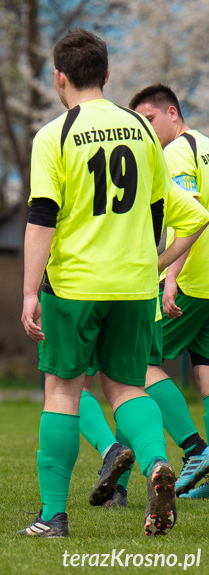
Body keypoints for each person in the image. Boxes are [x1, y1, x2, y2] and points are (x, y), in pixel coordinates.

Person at [20, 28, 189, 538]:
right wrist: (151, 266)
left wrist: (30, 290)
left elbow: (42, 217)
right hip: (136, 284)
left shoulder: (55, 135)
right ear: (109, 75)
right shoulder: (141, 130)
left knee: (62, 390)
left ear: (59, 77)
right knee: (127, 386)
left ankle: (53, 516)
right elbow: (159, 209)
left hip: (75, 285)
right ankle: (157, 464)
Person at [78, 85, 209, 508]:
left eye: (150, 120)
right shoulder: (206, 146)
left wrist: (169, 273)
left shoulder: (175, 154)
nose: (147, 130)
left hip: (189, 280)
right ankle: (128, 482)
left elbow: (186, 215)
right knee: (205, 373)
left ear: (173, 112)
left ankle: (194, 451)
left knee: (135, 370)